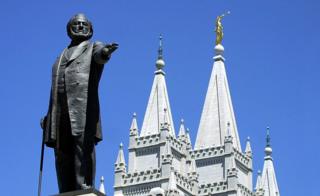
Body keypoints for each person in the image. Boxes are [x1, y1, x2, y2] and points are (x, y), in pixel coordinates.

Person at [41, 13, 118, 193]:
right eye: (77, 24)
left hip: (81, 109)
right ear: (69, 29)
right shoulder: (60, 57)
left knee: (82, 147)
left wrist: (106, 52)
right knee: (61, 152)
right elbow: (54, 90)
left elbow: (100, 55)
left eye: (84, 24)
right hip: (60, 112)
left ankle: (84, 184)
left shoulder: (92, 47)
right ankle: (66, 189)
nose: (81, 27)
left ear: (90, 29)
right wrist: (49, 116)